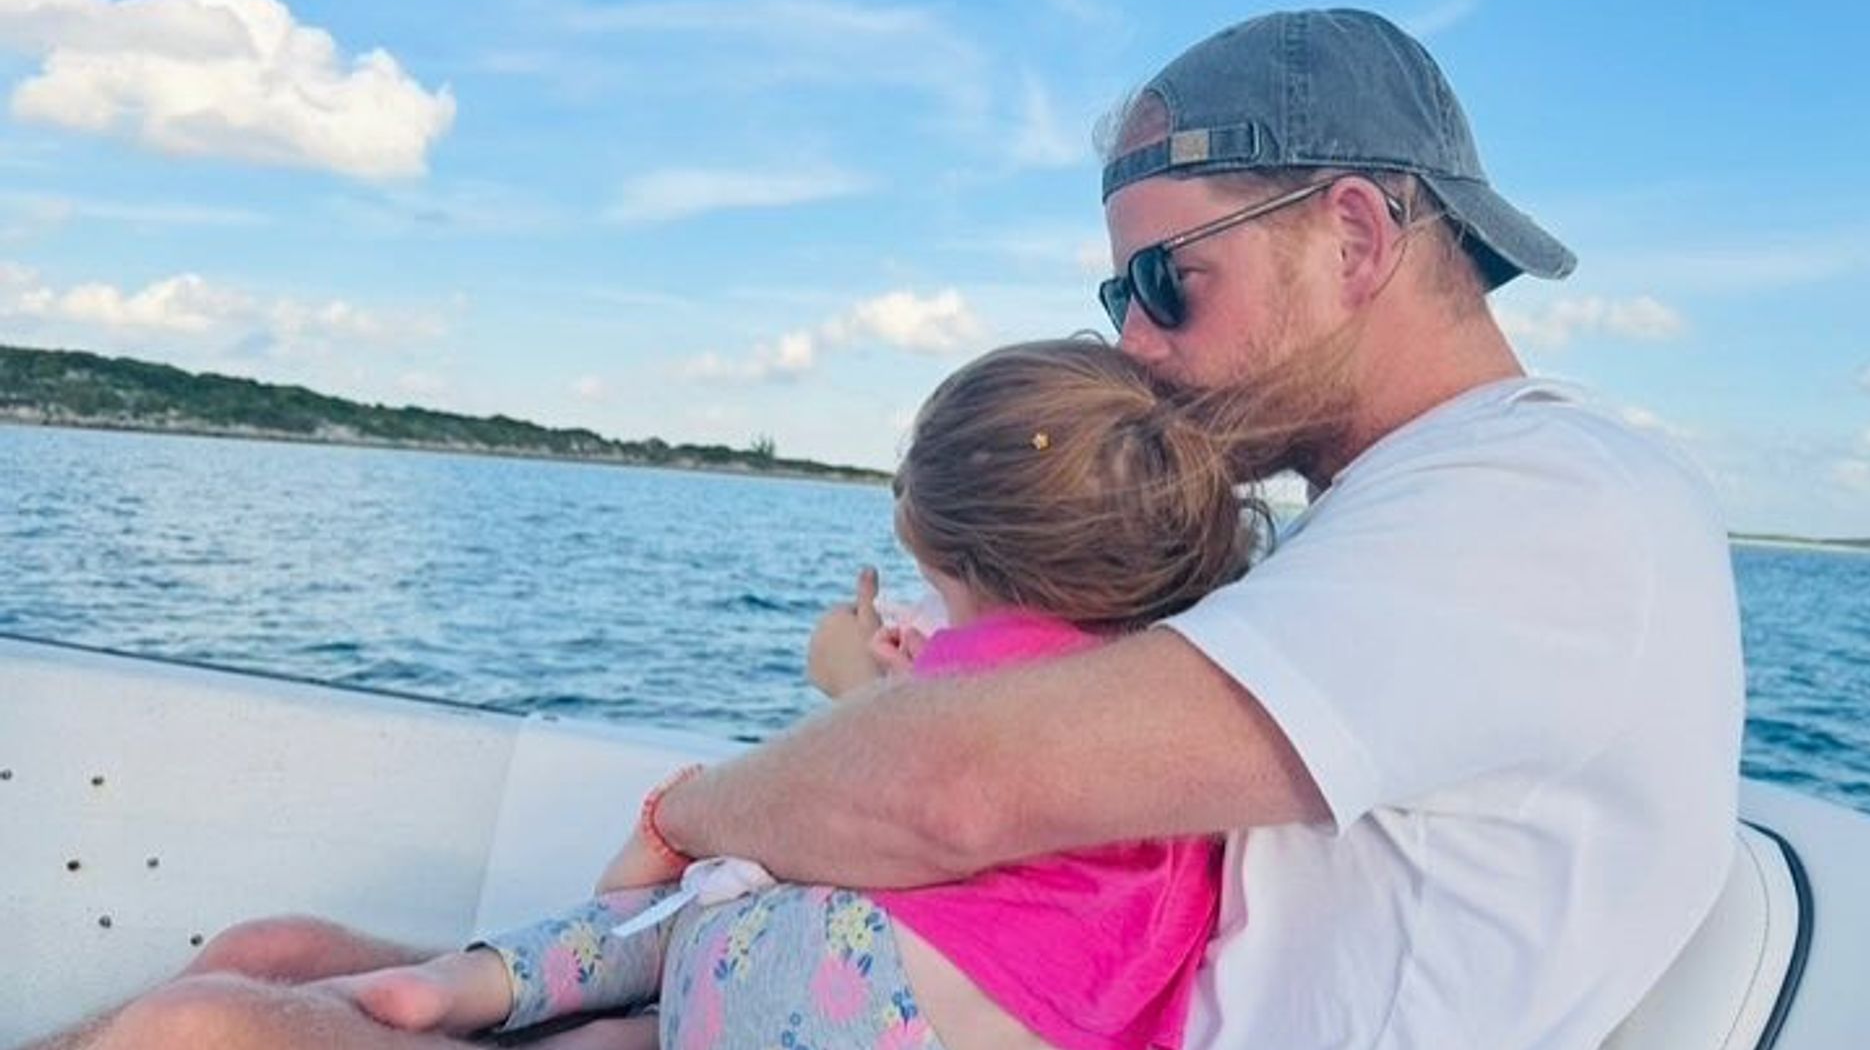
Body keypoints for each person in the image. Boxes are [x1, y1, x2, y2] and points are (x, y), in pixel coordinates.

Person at [47, 6, 1745, 1050]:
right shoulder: (1391, 528)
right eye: (1116, 290)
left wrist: (696, 806)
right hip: (939, 1000)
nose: (1138, 340)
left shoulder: (1541, 509)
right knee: (264, 961)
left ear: (1361, 235)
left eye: (1171, 280)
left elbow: (955, 781)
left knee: (211, 1027)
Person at [312, 339, 1265, 1050]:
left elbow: (887, 786)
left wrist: (862, 678)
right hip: (980, 1023)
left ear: (933, 534)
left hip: (831, 973)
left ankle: (469, 985)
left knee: (704, 901)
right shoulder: (1169, 695)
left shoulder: (981, 703)